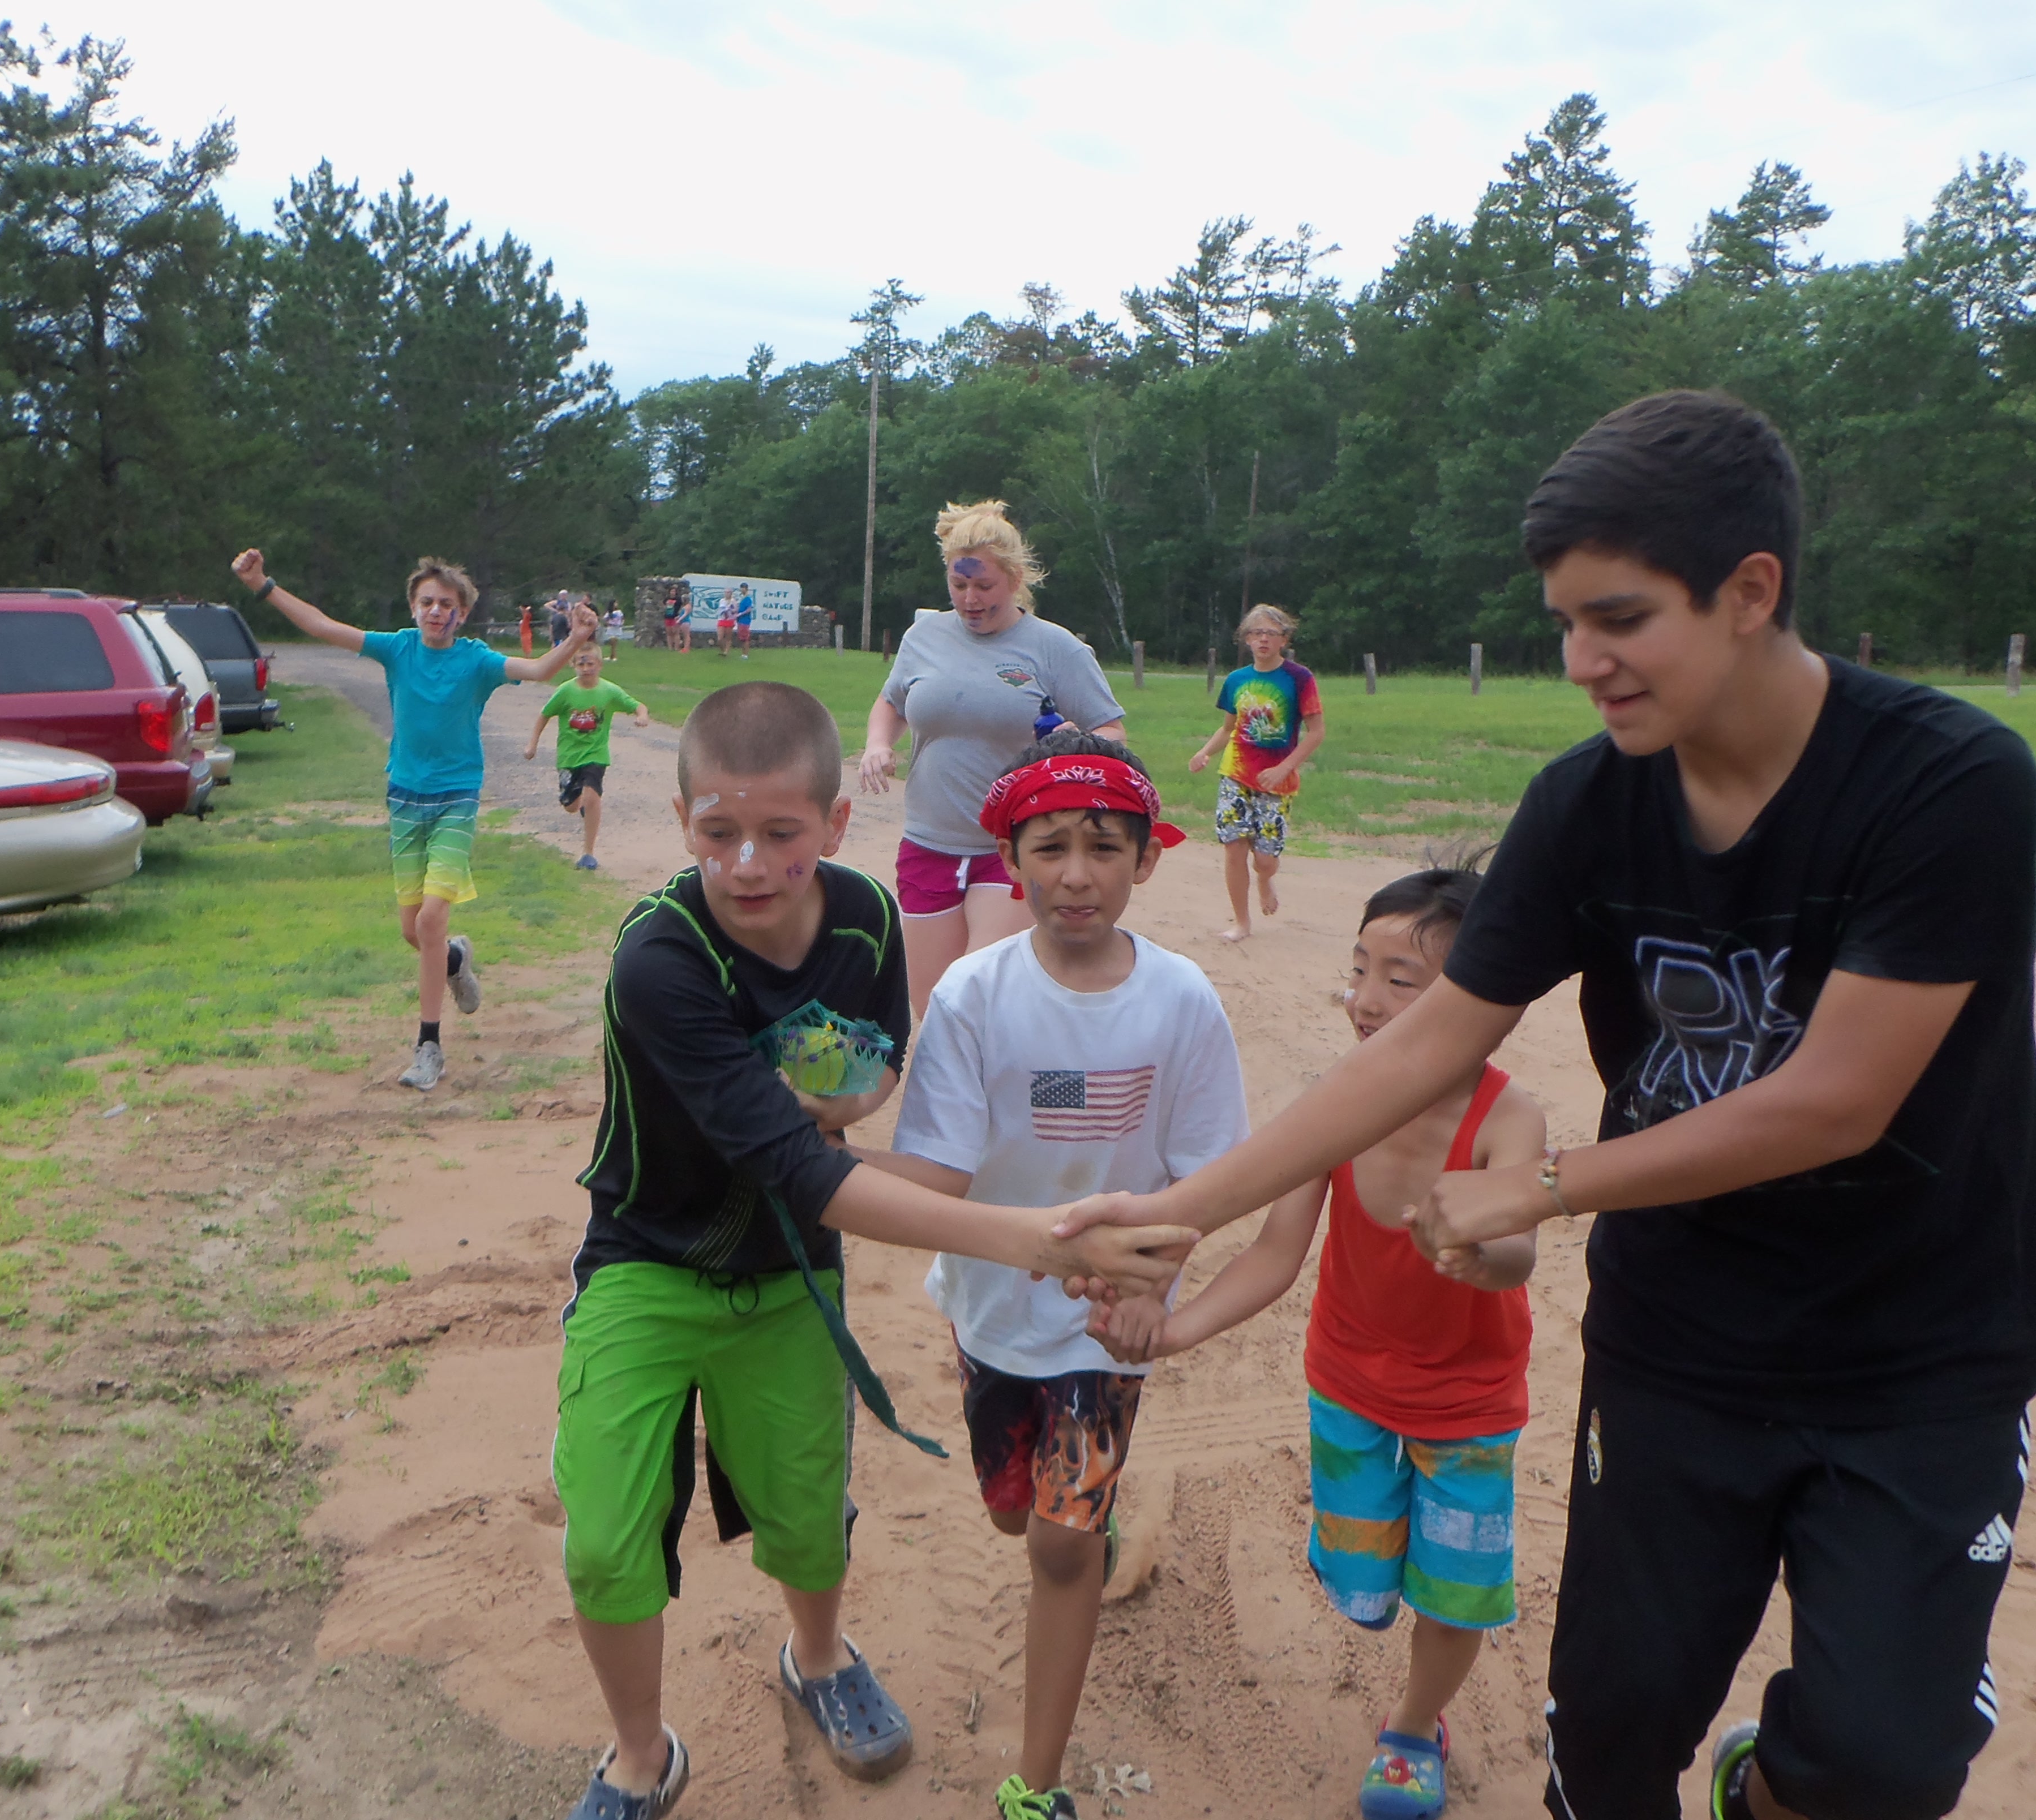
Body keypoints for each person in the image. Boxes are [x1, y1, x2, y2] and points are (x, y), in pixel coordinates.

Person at [1053, 390, 2036, 1820]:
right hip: (1681, 1337)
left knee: (1881, 1761)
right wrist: (1179, 1213)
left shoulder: (1949, 785)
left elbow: (1834, 1100)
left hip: (1922, 1349)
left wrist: (1540, 1182)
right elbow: (1421, 1046)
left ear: (1749, 590)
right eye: (1565, 622)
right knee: (1611, 1733)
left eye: (1618, 619)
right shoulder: (1586, 802)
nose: (1581, 661)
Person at [553, 681, 1198, 1820]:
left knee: (807, 1514)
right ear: (681, 819)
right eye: (718, 832)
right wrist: (1032, 1239)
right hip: (646, 1262)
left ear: (836, 822)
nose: (748, 863)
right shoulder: (657, 958)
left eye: (780, 833)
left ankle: (819, 1657)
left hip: (790, 1276)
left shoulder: (862, 917)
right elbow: (797, 1170)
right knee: (605, 1538)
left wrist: (846, 1103)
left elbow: (878, 1058)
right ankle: (641, 1757)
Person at [1094, 864, 1544, 1820]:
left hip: (1467, 1408)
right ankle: (1390, 1631)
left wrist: (1483, 1248)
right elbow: (1273, 1253)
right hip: (1348, 1386)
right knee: (1362, 1584)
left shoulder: (1506, 1118)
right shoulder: (1335, 1105)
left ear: (1481, 1003)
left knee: (1453, 1592)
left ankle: (1413, 1728)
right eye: (1358, 970)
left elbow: (1516, 1253)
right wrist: (1173, 1329)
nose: (1365, 1000)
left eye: (1400, 980)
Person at [852, 729, 1245, 1820]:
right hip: (989, 1305)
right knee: (1012, 1513)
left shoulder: (1181, 1001)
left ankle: (1035, 1782)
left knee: (1059, 1548)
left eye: (1104, 847)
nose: (1077, 874)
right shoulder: (970, 995)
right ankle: (1078, 1524)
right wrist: (813, 1155)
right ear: (1009, 860)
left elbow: (1205, 1179)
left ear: (1145, 860)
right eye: (1051, 847)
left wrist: (1147, 1289)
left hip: (1103, 1328)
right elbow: (938, 1172)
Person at [229, 548, 597, 1092]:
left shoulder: (476, 662)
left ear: (462, 613)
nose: (435, 611)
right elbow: (322, 626)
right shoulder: (397, 649)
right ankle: (455, 959)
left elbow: (539, 670)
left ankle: (429, 1047)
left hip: (456, 801)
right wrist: (263, 585)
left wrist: (575, 638)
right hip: (405, 800)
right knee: (414, 931)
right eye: (427, 602)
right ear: (413, 608)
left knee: (429, 921)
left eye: (446, 604)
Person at [861, 500, 1126, 1018]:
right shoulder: (924, 637)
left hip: (1010, 845)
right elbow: (891, 703)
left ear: (1015, 579)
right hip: (928, 842)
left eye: (984, 586)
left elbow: (1111, 731)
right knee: (931, 1004)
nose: (970, 598)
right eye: (959, 585)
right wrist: (878, 743)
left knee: (978, 992)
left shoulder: (1056, 648)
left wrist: (1076, 740)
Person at [1188, 603, 1323, 943]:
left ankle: (1265, 879)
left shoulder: (1299, 679)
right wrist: (1205, 753)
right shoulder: (1237, 680)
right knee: (1234, 847)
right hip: (1236, 774)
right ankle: (1242, 922)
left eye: (1271, 634)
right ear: (1247, 639)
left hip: (1277, 781)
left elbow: (1316, 733)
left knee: (1264, 859)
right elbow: (1228, 728)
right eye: (1257, 633)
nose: (1263, 639)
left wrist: (1284, 768)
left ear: (1284, 640)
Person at [527, 641, 648, 871]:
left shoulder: (609, 691)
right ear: (573, 666)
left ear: (600, 665)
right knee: (571, 806)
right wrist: (532, 744)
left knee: (592, 797)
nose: (586, 669)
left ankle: (588, 854)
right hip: (569, 757)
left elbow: (637, 705)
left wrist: (642, 716)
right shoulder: (566, 691)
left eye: (590, 664)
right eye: (581, 665)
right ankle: (581, 803)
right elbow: (544, 715)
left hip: (596, 755)